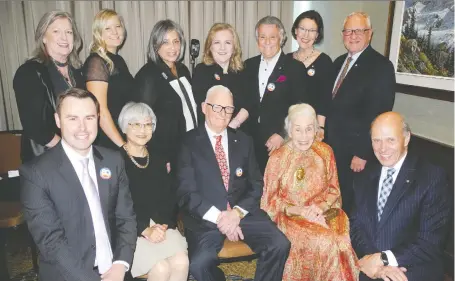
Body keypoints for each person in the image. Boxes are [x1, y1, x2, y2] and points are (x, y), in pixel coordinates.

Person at [20, 88, 137, 281]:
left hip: (115, 271)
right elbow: (51, 243)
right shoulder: (36, 174)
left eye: (89, 118)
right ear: (57, 120)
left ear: (98, 118)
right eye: (72, 118)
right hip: (69, 275)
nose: (82, 128)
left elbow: (126, 218)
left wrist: (121, 264)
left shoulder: (113, 161)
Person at [176, 85, 290, 281]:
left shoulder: (244, 140)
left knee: (279, 244)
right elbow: (186, 192)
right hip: (207, 218)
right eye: (217, 107)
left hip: (242, 213)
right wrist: (221, 218)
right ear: (204, 107)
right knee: (199, 264)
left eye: (229, 109)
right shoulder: (188, 142)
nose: (223, 114)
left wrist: (236, 213)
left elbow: (256, 184)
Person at [261, 103, 359, 281]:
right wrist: (301, 211)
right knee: (324, 241)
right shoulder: (278, 158)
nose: (304, 136)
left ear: (316, 130)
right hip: (291, 218)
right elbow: (269, 202)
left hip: (325, 211)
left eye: (309, 129)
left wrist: (319, 208)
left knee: (341, 241)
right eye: (298, 130)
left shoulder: (325, 151)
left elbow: (334, 189)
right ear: (289, 131)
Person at [350, 112, 452, 281]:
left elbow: (430, 242)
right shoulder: (365, 175)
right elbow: (355, 225)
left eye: (390, 140)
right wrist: (372, 262)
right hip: (370, 266)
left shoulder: (432, 178)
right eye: (377, 140)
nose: (383, 148)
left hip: (410, 267)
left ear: (406, 139)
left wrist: (383, 258)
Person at [325, 12, 396, 214]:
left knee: (352, 205)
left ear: (370, 33)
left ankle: (352, 245)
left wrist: (363, 152)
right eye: (348, 31)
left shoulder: (381, 66)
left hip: (356, 155)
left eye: (359, 31)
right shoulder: (338, 62)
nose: (353, 35)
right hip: (333, 149)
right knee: (335, 202)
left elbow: (379, 114)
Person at [117, 102, 189, 281]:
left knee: (181, 262)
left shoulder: (157, 158)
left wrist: (162, 225)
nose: (143, 130)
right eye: (136, 124)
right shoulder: (114, 161)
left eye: (148, 124)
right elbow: (114, 207)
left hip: (161, 227)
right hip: (131, 232)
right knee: (161, 268)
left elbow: (169, 197)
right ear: (125, 127)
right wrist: (145, 229)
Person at [13, 10, 84, 162]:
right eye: (56, 31)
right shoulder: (29, 72)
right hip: (46, 158)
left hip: (78, 152)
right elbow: (35, 126)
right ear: (43, 37)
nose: (64, 37)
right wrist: (69, 152)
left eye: (69, 32)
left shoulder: (79, 72)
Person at [243, 16, 309, 173]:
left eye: (272, 37)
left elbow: (300, 109)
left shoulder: (295, 68)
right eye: (262, 37)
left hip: (278, 142)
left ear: (281, 38)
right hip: (250, 142)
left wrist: (282, 134)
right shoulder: (248, 65)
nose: (267, 42)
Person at [134, 19, 197, 171]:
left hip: (190, 146)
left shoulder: (182, 69)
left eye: (176, 41)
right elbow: (143, 120)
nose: (173, 47)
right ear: (155, 45)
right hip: (166, 154)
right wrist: (159, 157)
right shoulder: (148, 75)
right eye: (166, 42)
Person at [84, 9, 134, 150]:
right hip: (108, 140)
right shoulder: (97, 61)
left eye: (118, 26)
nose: (115, 32)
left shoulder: (118, 60)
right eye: (107, 28)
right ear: (99, 33)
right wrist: (123, 145)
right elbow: (101, 111)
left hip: (121, 133)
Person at [288, 10, 335, 141]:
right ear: (296, 30)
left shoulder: (324, 61)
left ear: (317, 35)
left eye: (312, 30)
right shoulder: (286, 60)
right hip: (289, 127)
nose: (306, 35)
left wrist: (320, 128)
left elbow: (325, 99)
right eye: (302, 29)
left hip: (311, 128)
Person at [192, 23, 249, 129]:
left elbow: (249, 104)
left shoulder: (244, 71)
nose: (222, 48)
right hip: (210, 133)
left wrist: (234, 125)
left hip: (238, 132)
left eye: (227, 43)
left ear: (234, 47)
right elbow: (203, 106)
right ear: (210, 47)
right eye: (217, 43)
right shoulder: (201, 71)